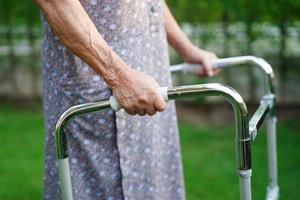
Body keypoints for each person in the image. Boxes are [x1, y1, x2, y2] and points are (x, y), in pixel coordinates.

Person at [35, 0, 218, 199]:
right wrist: (118, 77)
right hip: (98, 84)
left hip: (147, 77)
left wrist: (186, 48)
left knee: (155, 181)